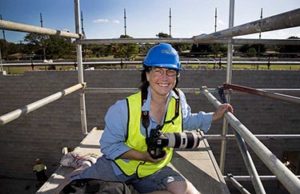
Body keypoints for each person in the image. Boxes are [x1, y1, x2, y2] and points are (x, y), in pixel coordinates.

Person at [59, 43, 233, 194]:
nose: (164, 77)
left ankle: (128, 189)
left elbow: (185, 121)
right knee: (71, 187)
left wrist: (214, 116)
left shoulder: (178, 99)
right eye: (158, 70)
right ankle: (85, 163)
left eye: (171, 72)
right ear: (147, 74)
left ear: (177, 76)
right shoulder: (123, 109)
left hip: (153, 169)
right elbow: (109, 146)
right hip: (119, 166)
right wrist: (144, 156)